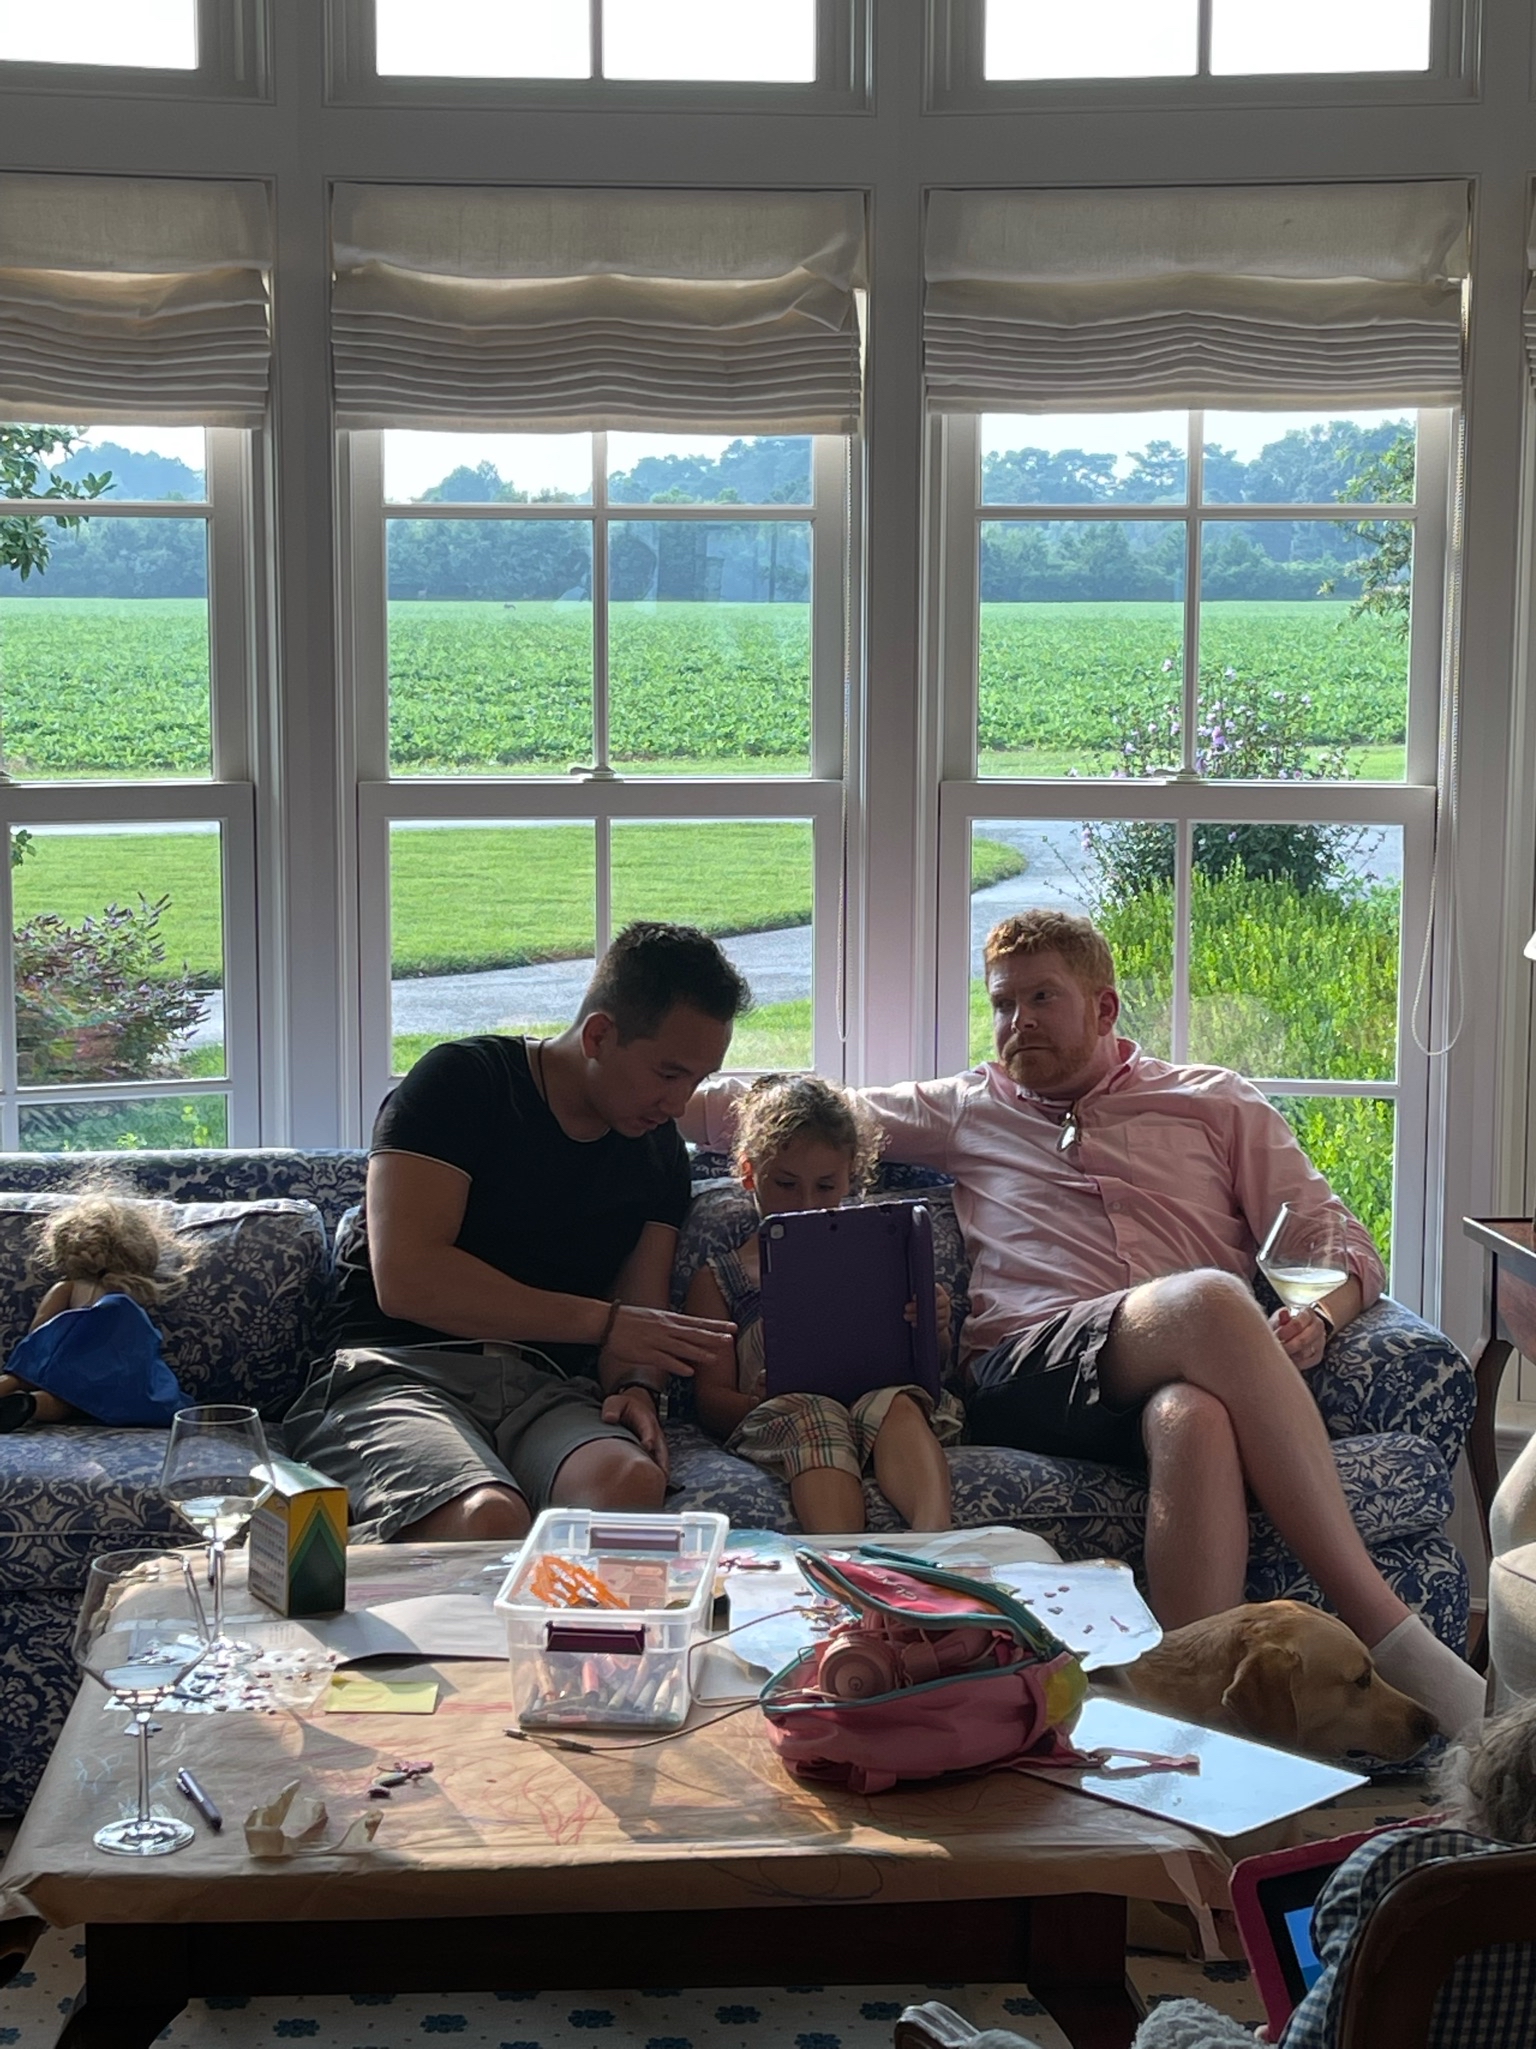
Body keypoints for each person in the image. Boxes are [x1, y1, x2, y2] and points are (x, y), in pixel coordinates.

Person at [685, 908, 1485, 1738]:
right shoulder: (967, 1107)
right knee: (1212, 1297)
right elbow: (792, 1111)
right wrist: (637, 1088)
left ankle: (1192, 1735)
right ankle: (1390, 1633)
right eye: (1002, 1003)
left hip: (1172, 1375)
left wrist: (1320, 1312)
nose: (1017, 1021)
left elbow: (1335, 1237)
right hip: (1030, 1370)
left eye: (1042, 997)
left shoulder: (1214, 1102)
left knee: (1195, 1416)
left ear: (1104, 1008)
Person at [284, 921, 748, 1544]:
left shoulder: (660, 1152)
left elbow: (639, 1312)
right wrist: (605, 1323)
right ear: (599, 1035)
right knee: (489, 1518)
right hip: (397, 1373)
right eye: (669, 1073)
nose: (680, 1102)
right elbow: (408, 1279)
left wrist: (637, 1385)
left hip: (545, 1389)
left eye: (699, 1079)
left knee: (627, 1485)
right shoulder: (461, 1082)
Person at [684, 1072, 963, 1534]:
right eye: (786, 1184)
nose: (806, 1204)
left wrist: (935, 1327)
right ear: (750, 1174)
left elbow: (933, 1366)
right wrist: (755, 1399)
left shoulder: (881, 1254)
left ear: (850, 1176)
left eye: (826, 1186)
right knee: (814, 1412)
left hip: (882, 1402)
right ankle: (838, 1555)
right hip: (789, 1414)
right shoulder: (720, 1278)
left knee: (896, 1403)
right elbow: (710, 1400)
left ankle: (935, 1544)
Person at [0, 1190, 191, 1432]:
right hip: (107, 1371)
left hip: (63, 1358)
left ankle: (13, 1389)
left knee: (21, 1379)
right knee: (70, 1404)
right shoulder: (128, 1291)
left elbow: (39, 1328)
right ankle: (32, 1404)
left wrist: (37, 1362)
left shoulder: (67, 1287)